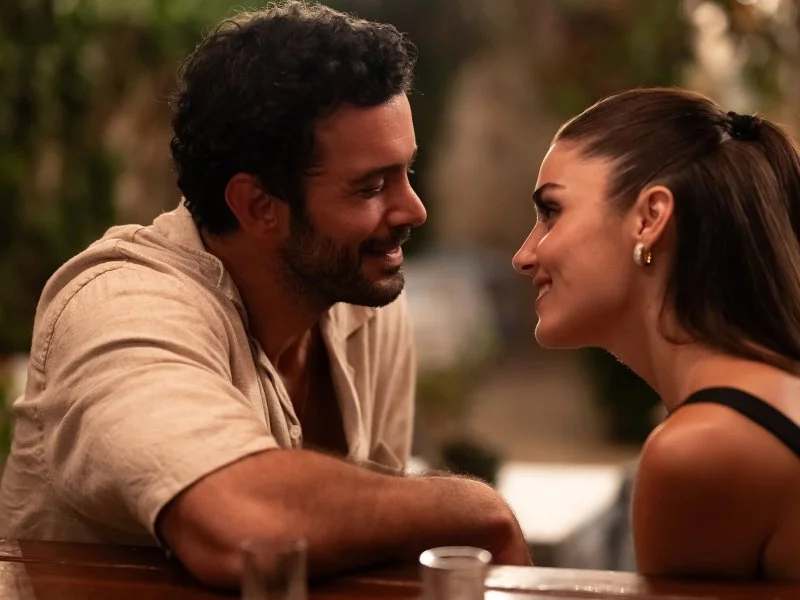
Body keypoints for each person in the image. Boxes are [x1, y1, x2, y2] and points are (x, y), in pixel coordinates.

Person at [0, 1, 531, 588]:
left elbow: (368, 552)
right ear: (258, 207)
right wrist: (475, 508)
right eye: (370, 187)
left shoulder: (363, 301)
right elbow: (245, 528)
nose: (414, 209)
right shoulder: (118, 308)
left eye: (407, 172)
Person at [513, 87, 800, 581]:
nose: (524, 255)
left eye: (551, 211)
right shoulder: (765, 403)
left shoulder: (701, 451)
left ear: (649, 219)